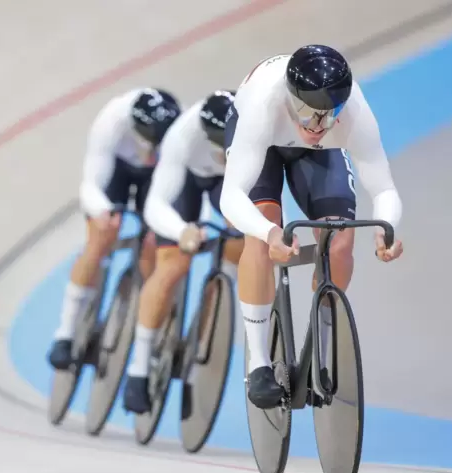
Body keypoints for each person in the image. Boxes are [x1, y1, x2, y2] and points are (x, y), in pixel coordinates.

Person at [219, 45, 404, 410]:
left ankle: (321, 345)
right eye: (307, 113)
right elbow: (231, 197)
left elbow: (383, 188)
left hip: (318, 155)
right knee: (259, 238)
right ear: (290, 99)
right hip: (263, 146)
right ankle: (258, 364)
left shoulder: (352, 112)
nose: (317, 125)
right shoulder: (263, 107)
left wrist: (387, 229)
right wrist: (271, 234)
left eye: (328, 115)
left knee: (339, 242)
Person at [122, 89, 244, 415]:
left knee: (249, 240)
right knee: (174, 264)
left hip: (229, 184)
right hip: (188, 184)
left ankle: (216, 305)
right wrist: (183, 231)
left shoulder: (257, 129)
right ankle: (139, 366)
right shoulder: (182, 136)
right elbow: (155, 205)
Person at [47, 88, 181, 370]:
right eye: (149, 144)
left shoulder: (178, 134)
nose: (151, 151)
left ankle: (148, 310)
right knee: (100, 238)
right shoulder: (111, 122)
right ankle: (65, 333)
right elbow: (91, 186)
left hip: (156, 178)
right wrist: (103, 212)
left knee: (155, 245)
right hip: (117, 168)